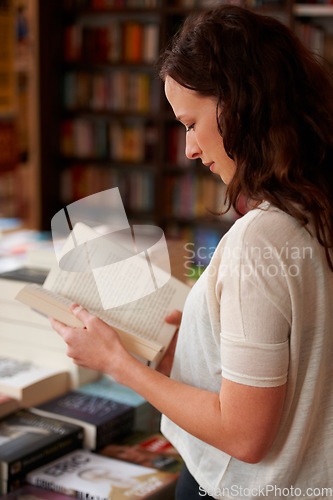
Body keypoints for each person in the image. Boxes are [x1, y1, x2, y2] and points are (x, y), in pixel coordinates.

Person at [49, 5, 333, 499]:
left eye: (190, 122)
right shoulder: (317, 210)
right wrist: (206, 335)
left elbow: (245, 436)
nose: (189, 150)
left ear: (238, 106)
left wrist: (118, 363)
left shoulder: (261, 241)